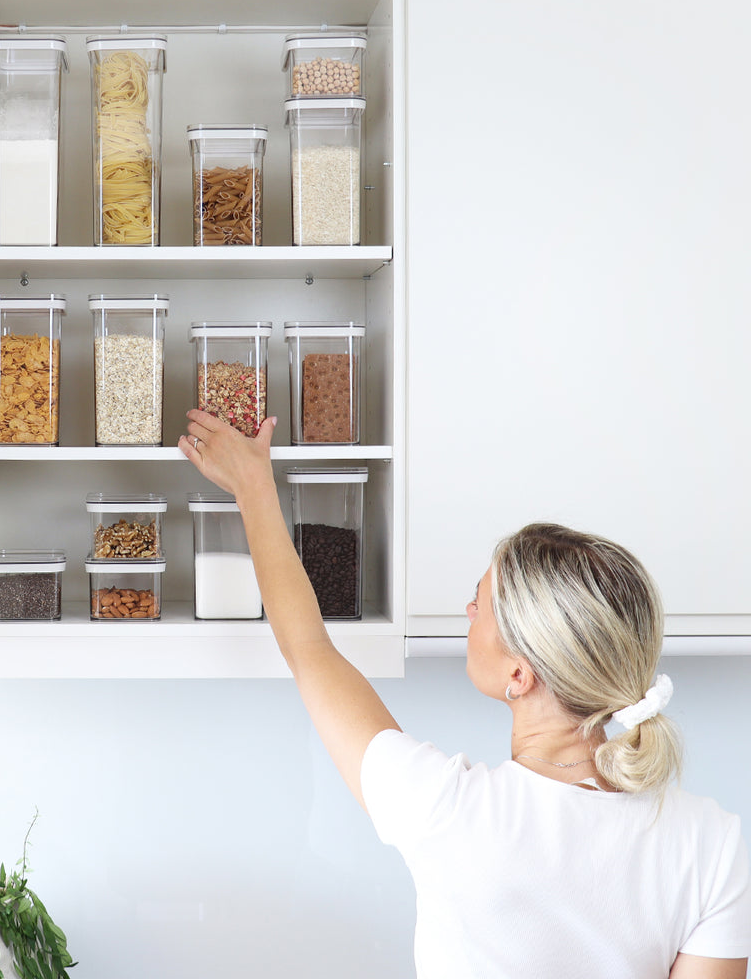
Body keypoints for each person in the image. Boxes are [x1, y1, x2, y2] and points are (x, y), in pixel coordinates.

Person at [178, 409, 751, 979]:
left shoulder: (447, 811)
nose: (468, 609)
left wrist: (253, 487)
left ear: (520, 675)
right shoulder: (714, 843)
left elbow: (308, 648)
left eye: (481, 603)